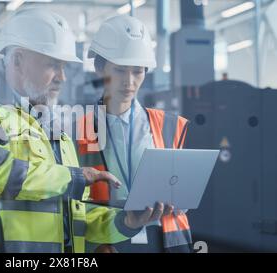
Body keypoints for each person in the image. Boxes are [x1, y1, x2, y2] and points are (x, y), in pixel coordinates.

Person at [0, 9, 143, 253]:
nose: (62, 77)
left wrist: (125, 222)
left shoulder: (58, 134)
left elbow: (76, 216)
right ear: (17, 60)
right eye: (53, 65)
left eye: (64, 66)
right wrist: (76, 177)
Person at [77, 15, 192, 253]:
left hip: (165, 241)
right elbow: (76, 202)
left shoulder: (170, 125)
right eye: (119, 70)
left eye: (137, 71)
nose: (129, 82)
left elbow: (182, 188)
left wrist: (179, 200)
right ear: (100, 69)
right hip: (110, 242)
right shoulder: (79, 130)